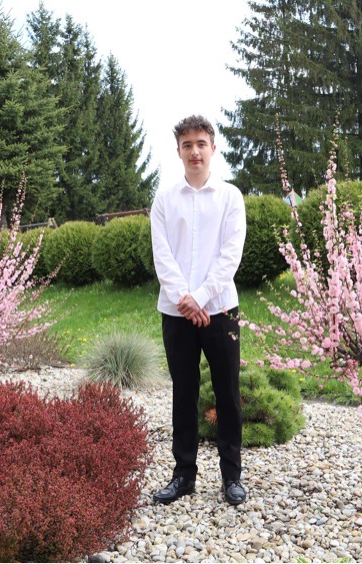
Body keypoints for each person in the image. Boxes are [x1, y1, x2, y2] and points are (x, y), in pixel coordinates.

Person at [150, 115, 247, 506]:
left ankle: (231, 477)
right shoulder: (164, 199)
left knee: (228, 393)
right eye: (187, 145)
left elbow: (230, 254)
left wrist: (202, 297)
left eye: (201, 143)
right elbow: (162, 255)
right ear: (178, 151)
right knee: (183, 393)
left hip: (220, 309)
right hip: (176, 313)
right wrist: (184, 299)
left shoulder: (230, 197)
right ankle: (183, 475)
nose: (195, 151)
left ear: (213, 147)